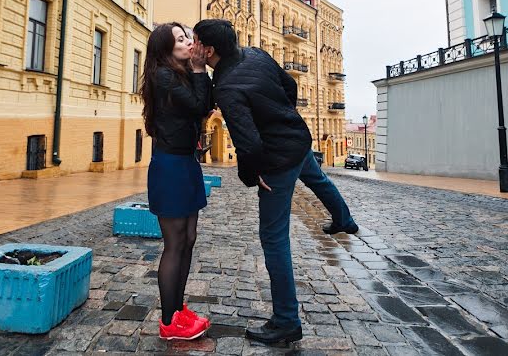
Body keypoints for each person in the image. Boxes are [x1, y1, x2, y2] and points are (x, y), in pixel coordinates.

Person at [192, 19, 358, 345]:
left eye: (196, 41)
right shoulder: (255, 53)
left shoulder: (225, 86)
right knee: (319, 181)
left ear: (209, 50)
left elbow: (249, 145)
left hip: (277, 160)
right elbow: (290, 87)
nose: (193, 45)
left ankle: (286, 321)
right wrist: (281, 117)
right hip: (297, 139)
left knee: (273, 237)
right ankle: (345, 220)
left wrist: (252, 176)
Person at [140, 22, 213, 341]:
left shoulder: (178, 74)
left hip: (185, 161)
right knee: (175, 242)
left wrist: (197, 71)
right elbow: (199, 106)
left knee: (189, 238)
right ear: (165, 49)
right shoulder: (165, 76)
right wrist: (199, 68)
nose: (187, 42)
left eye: (187, 37)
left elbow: (205, 105)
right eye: (180, 39)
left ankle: (178, 309)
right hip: (170, 165)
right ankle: (169, 322)